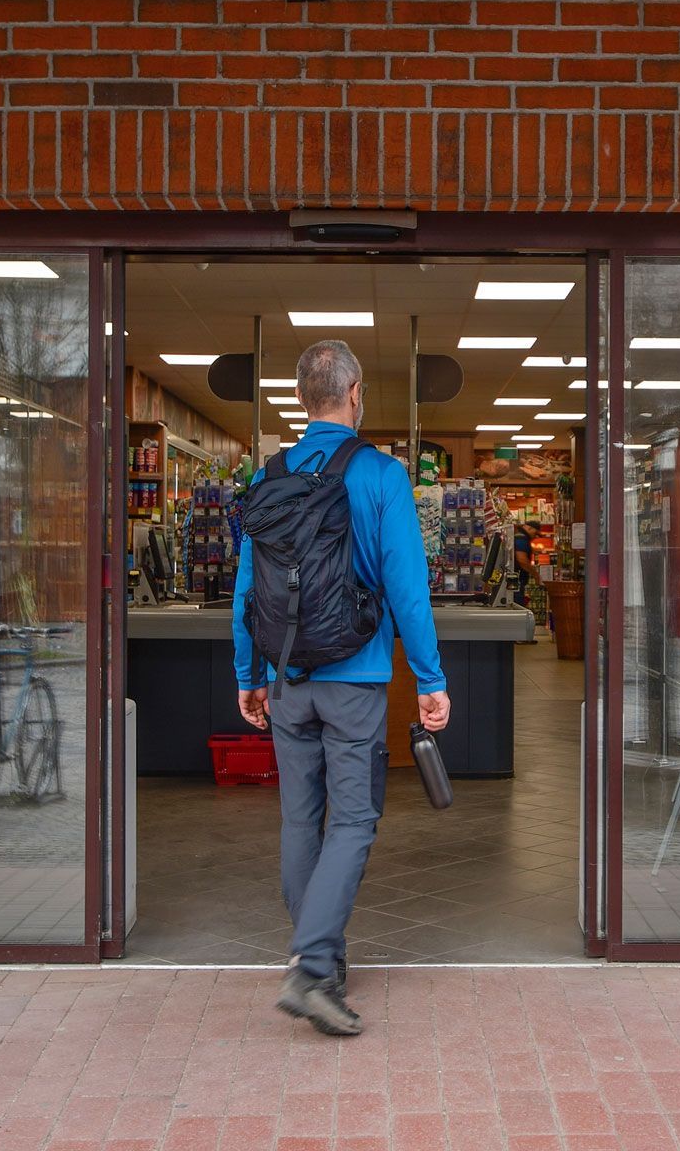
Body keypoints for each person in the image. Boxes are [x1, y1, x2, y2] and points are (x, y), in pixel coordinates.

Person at [233, 339, 451, 1037]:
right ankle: (313, 967)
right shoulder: (382, 476)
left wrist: (250, 675)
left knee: (302, 822)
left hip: (288, 679)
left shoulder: (269, 476)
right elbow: (407, 589)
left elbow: (246, 591)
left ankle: (320, 965)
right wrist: (430, 677)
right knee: (354, 820)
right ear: (355, 392)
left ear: (302, 398)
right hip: (355, 680)